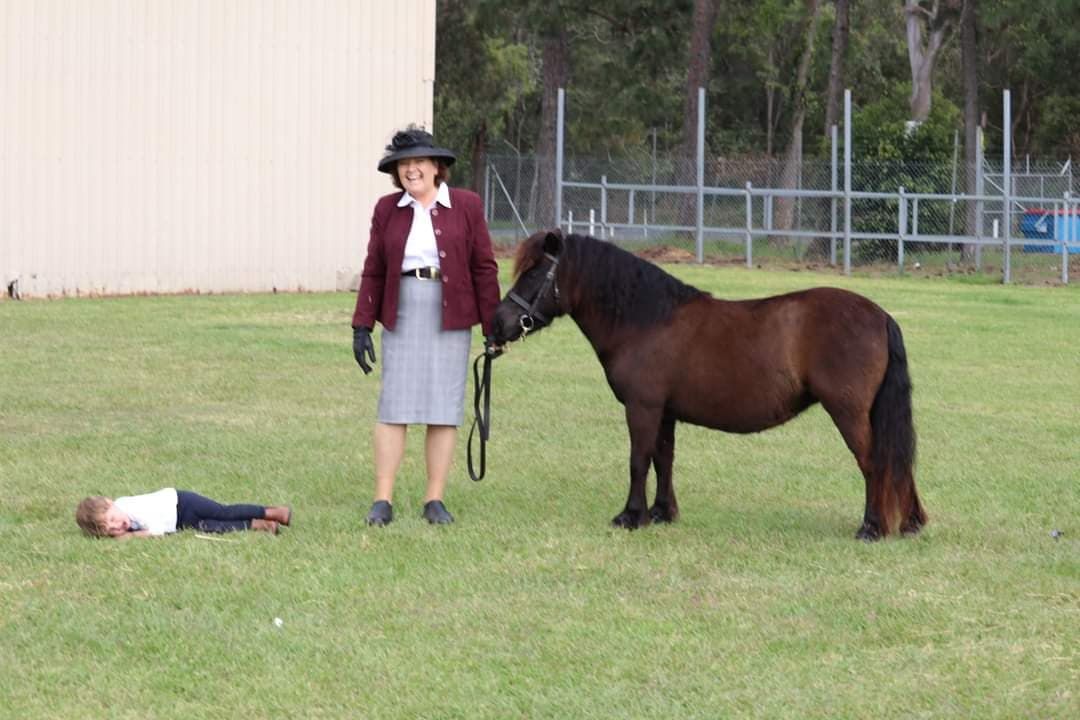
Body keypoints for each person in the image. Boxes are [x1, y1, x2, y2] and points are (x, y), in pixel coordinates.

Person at [352, 126, 501, 526]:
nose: (411, 170)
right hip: (402, 309)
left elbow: (483, 267)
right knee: (394, 405)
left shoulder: (466, 205)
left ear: (437, 167)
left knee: (443, 408)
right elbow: (374, 270)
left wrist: (493, 327)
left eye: (419, 162)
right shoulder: (387, 209)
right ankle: (382, 500)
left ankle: (434, 499)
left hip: (451, 311)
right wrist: (362, 324)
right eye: (404, 164)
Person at [75, 488, 292, 538]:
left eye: (113, 519)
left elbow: (158, 531)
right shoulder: (121, 515)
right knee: (215, 528)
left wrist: (132, 536)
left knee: (224, 512)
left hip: (182, 503)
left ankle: (273, 512)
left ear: (110, 502)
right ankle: (262, 525)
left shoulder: (132, 509)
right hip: (179, 522)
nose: (117, 526)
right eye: (110, 530)